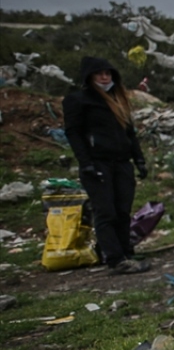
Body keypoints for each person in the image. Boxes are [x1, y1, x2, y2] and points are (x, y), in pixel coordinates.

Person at [62, 56, 150, 274]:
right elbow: (74, 134)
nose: (104, 77)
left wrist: (138, 159)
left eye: (108, 73)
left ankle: (124, 252)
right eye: (100, 73)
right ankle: (115, 259)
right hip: (98, 163)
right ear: (89, 76)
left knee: (122, 210)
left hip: (121, 162)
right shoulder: (79, 101)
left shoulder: (118, 100)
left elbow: (129, 133)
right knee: (105, 211)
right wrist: (86, 162)